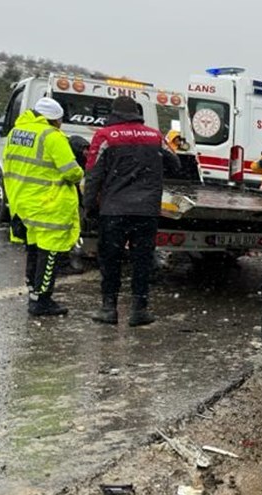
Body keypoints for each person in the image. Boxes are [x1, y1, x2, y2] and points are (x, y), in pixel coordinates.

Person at [84, 95, 180, 327]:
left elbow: (93, 174)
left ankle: (109, 308)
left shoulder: (105, 136)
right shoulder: (154, 135)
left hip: (114, 209)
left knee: (111, 260)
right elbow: (175, 163)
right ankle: (139, 310)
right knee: (142, 260)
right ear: (137, 112)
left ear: (114, 113)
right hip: (146, 210)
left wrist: (89, 207)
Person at [2, 97, 84, 316]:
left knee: (33, 251)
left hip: (23, 203)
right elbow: (71, 171)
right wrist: (80, 169)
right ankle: (42, 301)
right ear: (54, 120)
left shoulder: (15, 133)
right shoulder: (52, 137)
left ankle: (33, 293)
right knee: (49, 256)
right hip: (48, 204)